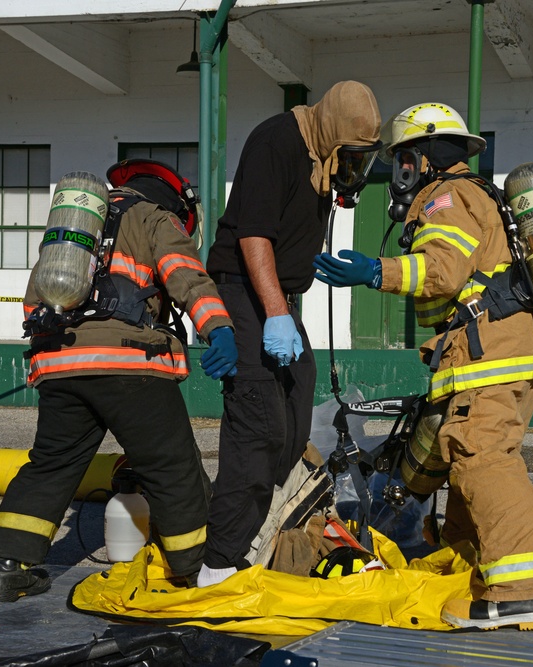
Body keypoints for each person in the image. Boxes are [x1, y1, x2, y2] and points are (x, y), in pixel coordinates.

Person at [313, 102, 533, 630]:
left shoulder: (445, 198)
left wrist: (373, 271)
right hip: (506, 352)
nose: (398, 175)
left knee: (483, 459)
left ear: (421, 160)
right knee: (465, 457)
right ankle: (472, 573)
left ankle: (521, 593)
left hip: (486, 353)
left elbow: (443, 272)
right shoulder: (479, 195)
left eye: (402, 161)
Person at [0, 159, 238, 602]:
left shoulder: (71, 231)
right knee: (170, 466)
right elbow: (185, 276)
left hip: (60, 364)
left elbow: (34, 303)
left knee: (52, 465)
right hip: (129, 365)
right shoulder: (153, 217)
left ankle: (9, 567)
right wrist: (219, 328)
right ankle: (193, 571)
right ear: (174, 201)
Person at [199, 80, 382, 587]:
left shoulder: (319, 159)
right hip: (247, 294)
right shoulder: (277, 141)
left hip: (280, 296)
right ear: (331, 132)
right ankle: (218, 566)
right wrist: (277, 313)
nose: (355, 169)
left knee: (297, 410)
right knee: (258, 428)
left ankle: (259, 531)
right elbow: (254, 235)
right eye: (353, 156)